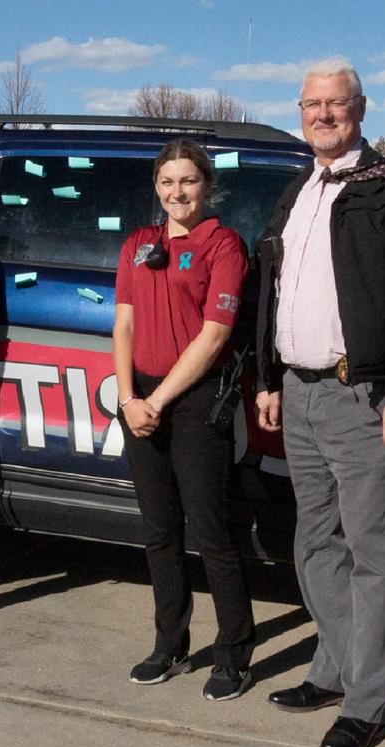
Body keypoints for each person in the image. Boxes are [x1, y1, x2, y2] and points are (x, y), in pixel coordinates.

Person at [255, 58, 385, 747]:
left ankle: (369, 702)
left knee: (376, 556)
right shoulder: (297, 191)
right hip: (299, 393)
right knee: (315, 546)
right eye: (312, 104)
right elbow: (269, 294)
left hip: (365, 397)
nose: (323, 115)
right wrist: (268, 376)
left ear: (359, 109)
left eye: (336, 104)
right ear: (300, 110)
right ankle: (335, 669)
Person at [113, 137, 256, 701]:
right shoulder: (137, 245)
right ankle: (169, 645)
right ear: (156, 187)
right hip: (140, 400)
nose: (178, 192)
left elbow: (215, 334)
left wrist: (160, 401)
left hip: (194, 399)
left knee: (211, 532)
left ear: (207, 185)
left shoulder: (223, 245)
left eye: (189, 181)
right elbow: (122, 326)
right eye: (168, 182)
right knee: (159, 532)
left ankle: (234, 655)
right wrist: (129, 399)